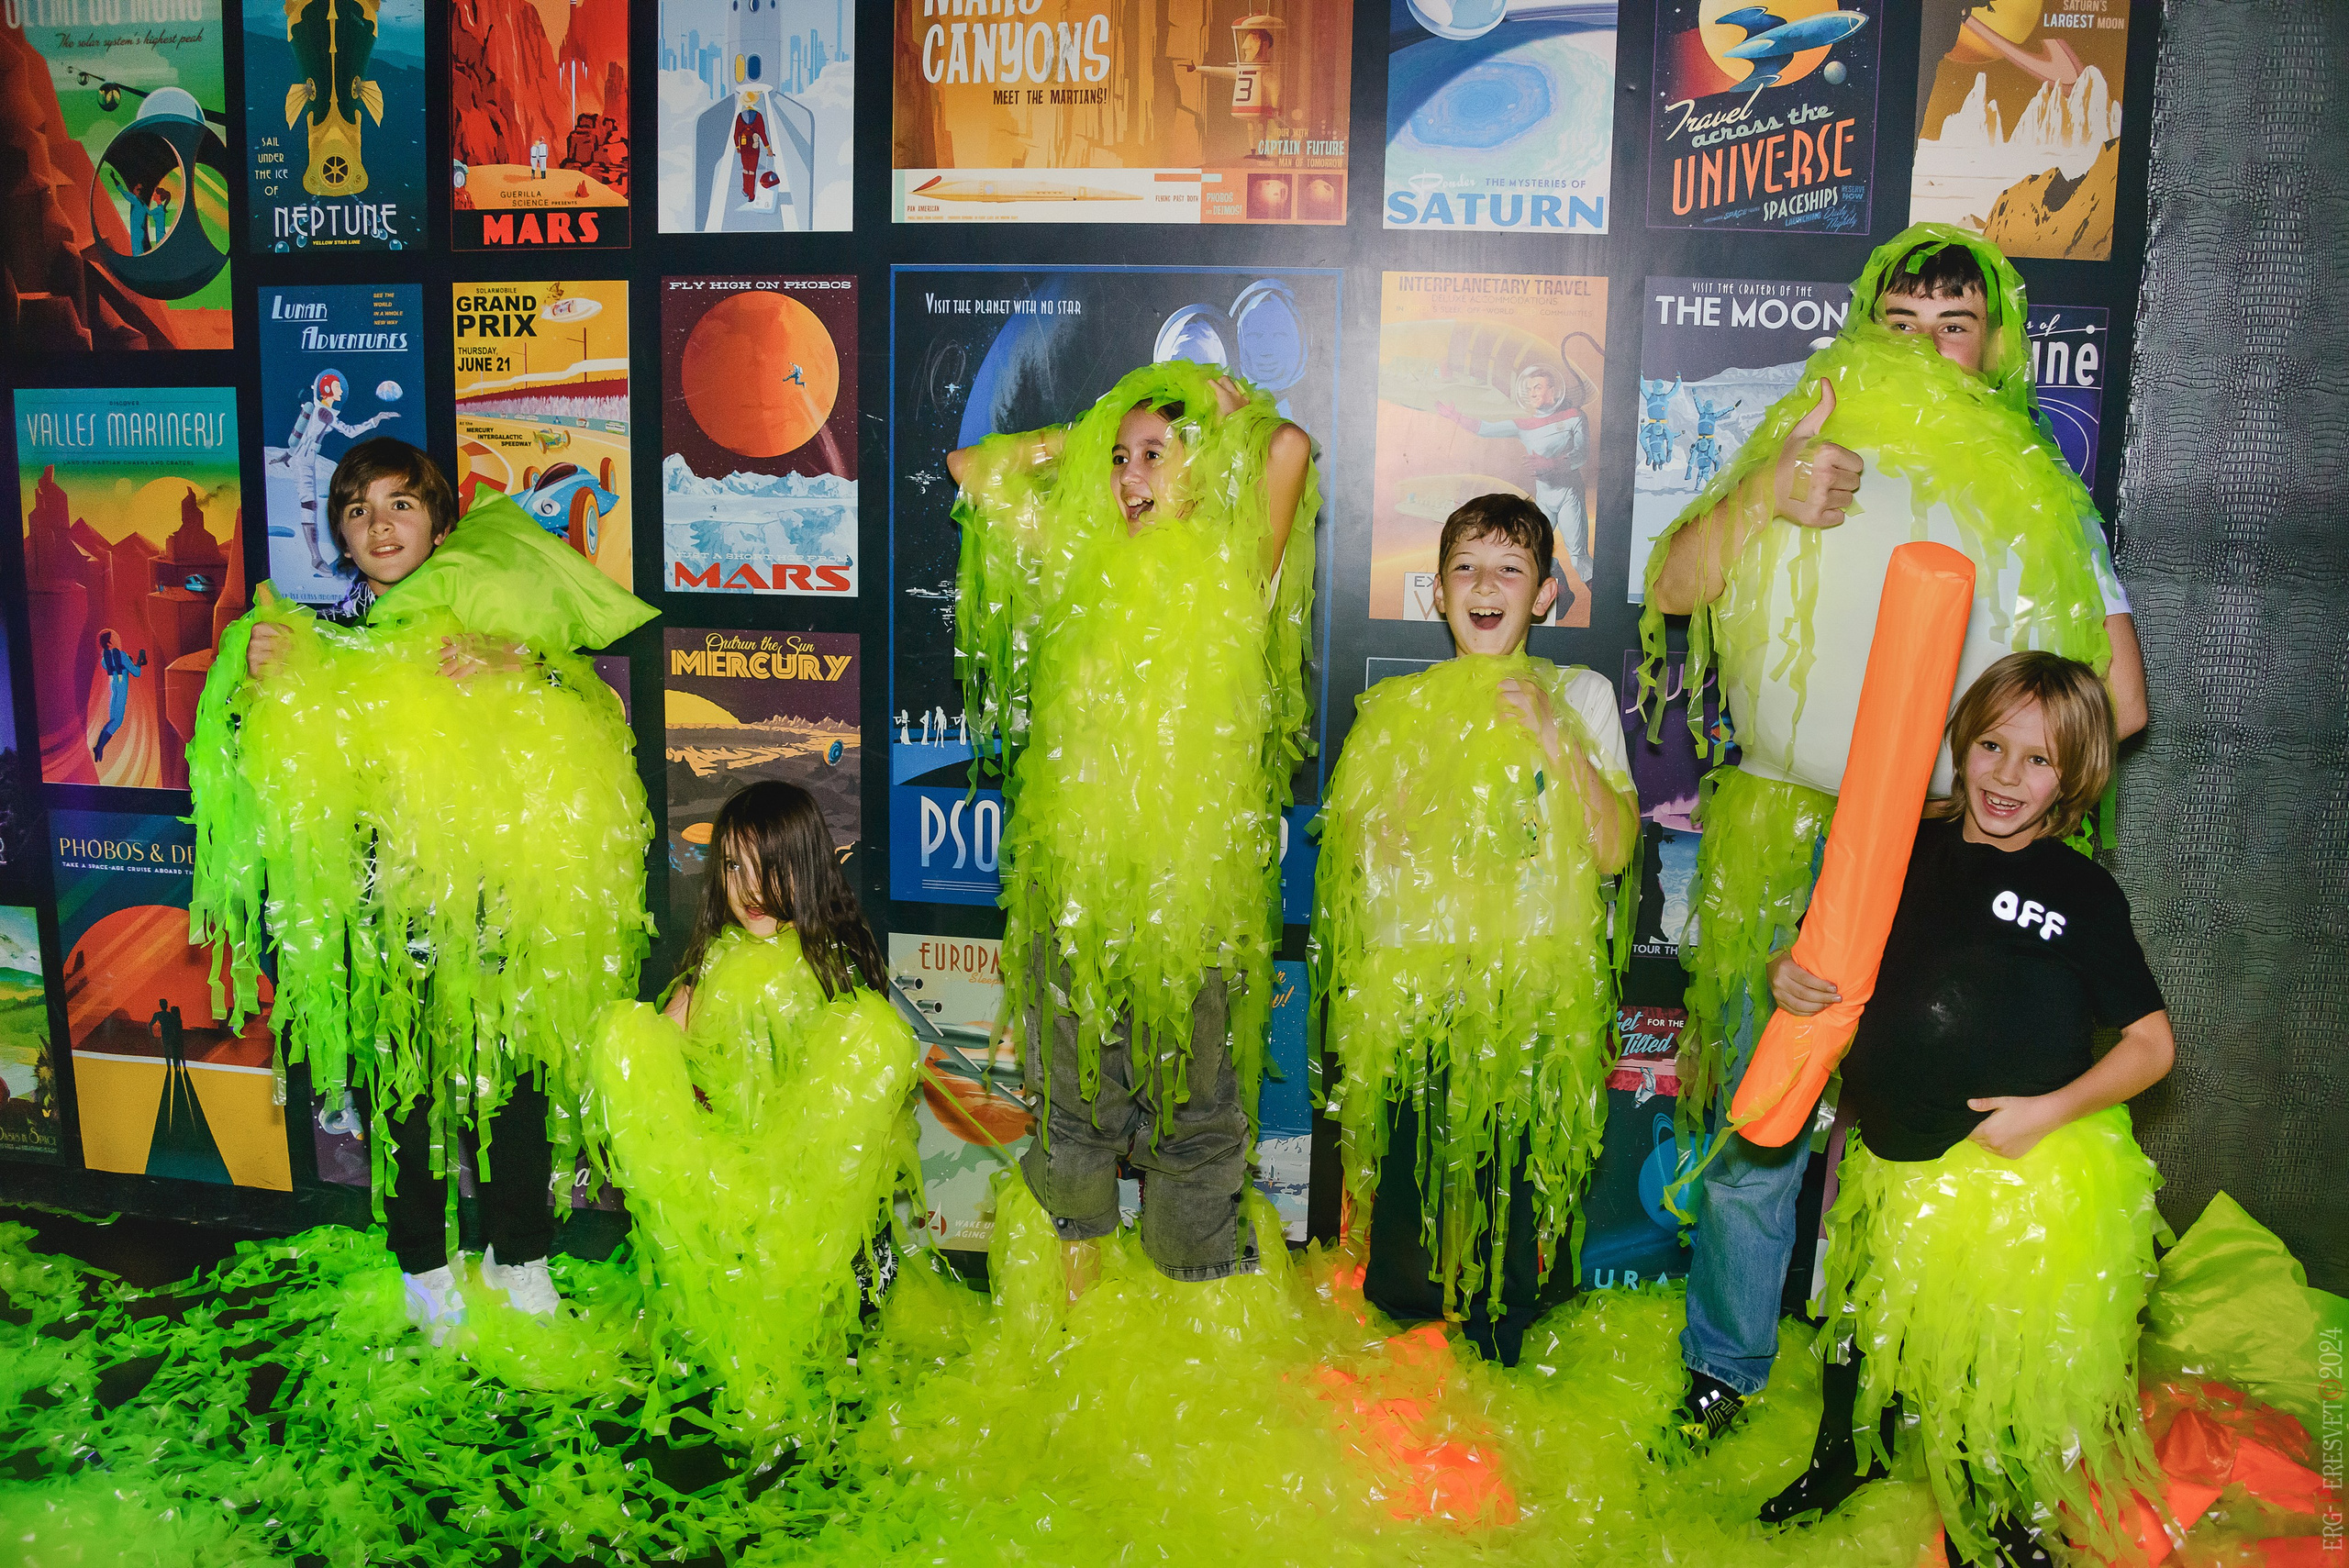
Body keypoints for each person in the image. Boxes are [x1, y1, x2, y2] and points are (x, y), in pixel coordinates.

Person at [1640, 225, 2150, 1442]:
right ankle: (1726, 1368)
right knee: (1764, 1112)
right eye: (1901, 323)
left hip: (1934, 843)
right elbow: (1670, 586)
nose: (1923, 351)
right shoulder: (1797, 440)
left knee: (1915, 1118)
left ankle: (1889, 1387)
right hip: (1779, 828)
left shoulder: (2032, 487)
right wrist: (1767, 492)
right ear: (1868, 330)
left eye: (1953, 327)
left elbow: (2119, 700)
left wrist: (1996, 791)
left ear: (1992, 349)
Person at [194, 437, 655, 1344]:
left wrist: (524, 666)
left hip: (494, 901)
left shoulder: (490, 628)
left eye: (400, 504)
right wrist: (252, 685)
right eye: (358, 508)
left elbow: (597, 713)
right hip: (384, 912)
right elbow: (248, 757)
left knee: (516, 1078)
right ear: (339, 534)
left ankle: (518, 1253)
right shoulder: (319, 637)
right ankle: (424, 1265)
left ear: (441, 525)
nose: (379, 523)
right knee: (402, 1092)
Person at [1756, 652, 2173, 1567]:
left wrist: (2047, 1110)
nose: (2004, 776)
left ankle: (2003, 1513)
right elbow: (1812, 957)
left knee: (1991, 1371)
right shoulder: (1899, 847)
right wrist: (1784, 976)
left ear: (2073, 777)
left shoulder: (2080, 892)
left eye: (2036, 760)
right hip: (1891, 1158)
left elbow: (2151, 1046)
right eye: (1991, 745)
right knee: (1859, 1323)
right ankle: (1846, 1454)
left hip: (2011, 1174)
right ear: (1961, 740)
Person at [946, 362, 1315, 1296]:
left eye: (1155, 453)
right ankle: (1072, 1313)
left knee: (1196, 1114)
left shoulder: (1237, 570)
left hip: (1193, 910)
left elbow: (1289, 450)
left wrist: (1229, 421)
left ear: (1205, 467)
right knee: (1074, 1108)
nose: (1128, 473)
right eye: (1118, 459)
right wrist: (1087, 438)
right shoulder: (1076, 561)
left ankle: (1189, 1305)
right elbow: (970, 470)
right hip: (1080, 899)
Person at [1314, 493, 1637, 1364]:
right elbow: (1359, 865)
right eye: (1465, 567)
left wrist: (1553, 737)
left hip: (1533, 1003)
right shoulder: (1394, 707)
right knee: (1408, 1245)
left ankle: (1500, 1388)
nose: (1485, 585)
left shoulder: (1582, 693)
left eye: (1509, 568)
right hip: (1419, 1002)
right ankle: (1403, 1416)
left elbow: (1612, 850)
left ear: (1544, 594)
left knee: (1511, 1241)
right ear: (1437, 591)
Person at [590, 779, 921, 1452]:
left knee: (832, 1361)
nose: (750, 887)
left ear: (805, 865)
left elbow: (865, 1101)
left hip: (830, 1223)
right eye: (735, 866)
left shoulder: (835, 965)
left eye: (768, 866)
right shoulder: (718, 964)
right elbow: (659, 1046)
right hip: (750, 1210)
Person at [1436, 361, 1595, 590]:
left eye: (1538, 388)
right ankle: (1561, 597)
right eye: (1529, 389)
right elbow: (1486, 428)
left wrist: (1551, 464)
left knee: (1578, 553)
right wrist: (1456, 417)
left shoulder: (1574, 416)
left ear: (1553, 390)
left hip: (1569, 493)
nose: (1532, 393)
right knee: (1533, 549)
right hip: (1544, 497)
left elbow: (1581, 455)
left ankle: (1602, 606)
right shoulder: (1525, 424)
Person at [273, 368, 397, 578]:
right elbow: (349, 432)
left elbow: (302, 435)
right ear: (328, 389)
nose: (341, 391)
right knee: (309, 505)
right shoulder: (325, 412)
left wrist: (288, 455)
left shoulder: (322, 411)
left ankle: (320, 556)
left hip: (305, 458)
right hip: (304, 459)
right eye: (338, 387)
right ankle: (315, 558)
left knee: (313, 503)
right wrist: (375, 420)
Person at [91, 628, 146, 763]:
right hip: (121, 691)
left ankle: (99, 746)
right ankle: (99, 747)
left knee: (113, 721)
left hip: (114, 690)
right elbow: (136, 672)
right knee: (117, 721)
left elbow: (112, 666)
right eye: (114, 638)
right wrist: (138, 661)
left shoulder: (105, 660)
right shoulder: (121, 655)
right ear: (110, 642)